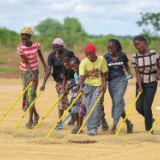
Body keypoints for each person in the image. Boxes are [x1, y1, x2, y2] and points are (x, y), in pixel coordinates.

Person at [40, 38, 75, 129]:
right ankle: (74, 116)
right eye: (54, 48)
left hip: (70, 79)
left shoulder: (68, 54)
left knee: (61, 99)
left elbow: (75, 65)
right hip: (59, 81)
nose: (56, 49)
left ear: (62, 46)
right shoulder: (51, 56)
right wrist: (44, 83)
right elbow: (48, 70)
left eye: (57, 47)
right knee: (63, 99)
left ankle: (59, 122)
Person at [17, 27, 47, 129]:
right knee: (26, 94)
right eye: (22, 39)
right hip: (25, 71)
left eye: (26, 39)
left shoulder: (36, 45)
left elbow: (40, 55)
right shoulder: (20, 48)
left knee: (31, 94)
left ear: (30, 37)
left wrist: (45, 65)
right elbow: (26, 62)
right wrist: (32, 75)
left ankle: (30, 120)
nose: (24, 41)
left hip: (35, 70)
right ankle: (36, 115)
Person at [103, 39, 133, 135]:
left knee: (117, 101)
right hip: (111, 82)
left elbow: (126, 66)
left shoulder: (123, 55)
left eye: (111, 48)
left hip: (122, 80)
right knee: (118, 103)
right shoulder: (105, 58)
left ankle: (114, 126)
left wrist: (129, 73)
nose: (109, 50)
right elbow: (104, 72)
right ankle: (128, 123)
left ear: (116, 47)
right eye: (108, 48)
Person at [132, 35, 160, 134]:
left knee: (147, 107)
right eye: (135, 45)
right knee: (139, 107)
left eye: (139, 44)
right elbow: (137, 73)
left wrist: (158, 75)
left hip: (151, 83)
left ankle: (149, 129)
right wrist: (139, 86)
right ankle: (150, 118)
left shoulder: (154, 53)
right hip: (140, 83)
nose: (137, 46)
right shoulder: (135, 56)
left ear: (144, 42)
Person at [79, 44, 108, 136]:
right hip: (87, 86)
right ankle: (97, 121)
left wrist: (104, 84)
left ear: (94, 53)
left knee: (94, 106)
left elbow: (104, 73)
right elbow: (81, 76)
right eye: (87, 55)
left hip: (98, 86)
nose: (89, 57)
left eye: (90, 54)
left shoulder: (102, 60)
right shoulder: (84, 62)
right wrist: (80, 86)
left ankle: (93, 129)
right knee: (87, 105)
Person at [69, 57, 86, 134]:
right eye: (72, 67)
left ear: (79, 64)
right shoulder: (76, 74)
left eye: (74, 66)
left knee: (82, 104)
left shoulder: (85, 71)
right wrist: (78, 97)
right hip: (81, 90)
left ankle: (79, 125)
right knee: (74, 102)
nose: (73, 68)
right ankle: (78, 124)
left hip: (88, 87)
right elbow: (78, 85)